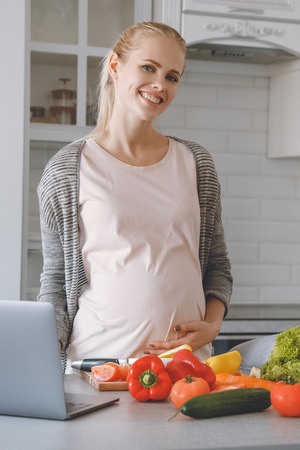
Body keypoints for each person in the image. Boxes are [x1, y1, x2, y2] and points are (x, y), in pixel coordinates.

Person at [37, 22, 232, 373]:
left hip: (184, 370)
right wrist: (43, 369)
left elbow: (217, 265)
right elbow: (55, 283)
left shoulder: (196, 164)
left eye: (172, 76)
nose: (160, 84)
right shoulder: (67, 169)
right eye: (148, 67)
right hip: (97, 371)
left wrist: (213, 325)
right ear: (115, 65)